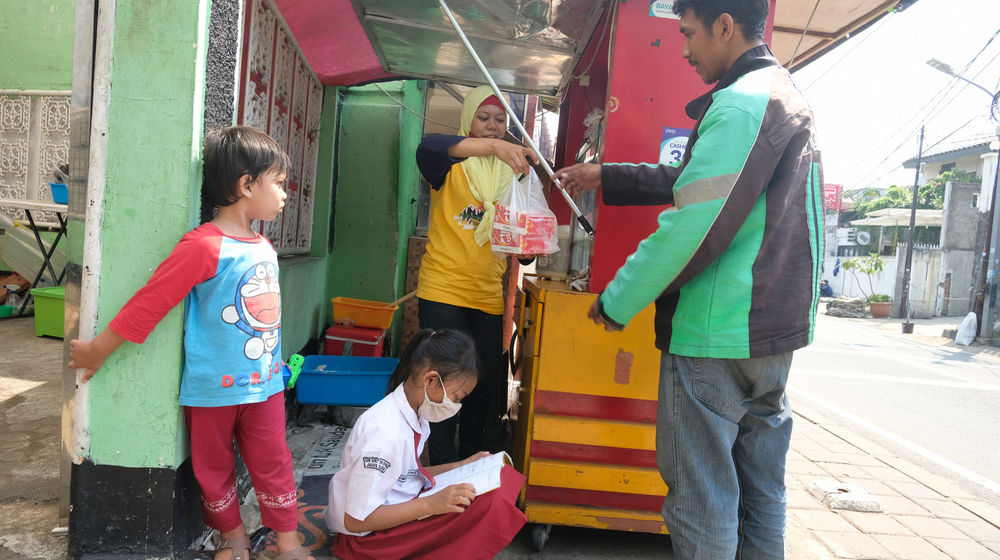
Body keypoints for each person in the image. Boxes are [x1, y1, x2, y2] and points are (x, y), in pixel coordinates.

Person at [554, 0, 823, 557]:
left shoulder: (741, 104)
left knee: (703, 497)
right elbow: (709, 185)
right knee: (760, 491)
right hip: (773, 330)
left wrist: (618, 297)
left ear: (726, 26)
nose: (683, 49)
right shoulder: (785, 96)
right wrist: (609, 173)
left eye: (689, 33)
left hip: (716, 329)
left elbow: (694, 224)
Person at [68, 126, 314, 560]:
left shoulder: (264, 246)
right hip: (211, 390)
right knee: (213, 471)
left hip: (266, 387)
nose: (284, 194)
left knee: (274, 464)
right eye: (278, 183)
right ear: (245, 185)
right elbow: (152, 301)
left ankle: (287, 542)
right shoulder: (204, 246)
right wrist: (99, 348)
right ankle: (232, 538)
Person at [414, 85, 539, 465]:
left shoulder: (512, 175)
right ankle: (438, 463)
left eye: (501, 120)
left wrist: (528, 246)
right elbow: (429, 146)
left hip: (486, 293)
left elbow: (522, 241)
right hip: (442, 289)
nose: (493, 126)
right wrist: (494, 147)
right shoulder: (447, 164)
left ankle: (468, 462)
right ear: (468, 120)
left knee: (481, 385)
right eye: (483, 118)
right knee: (441, 380)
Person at [324, 328, 527, 560]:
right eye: (456, 397)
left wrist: (463, 465)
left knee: (501, 482)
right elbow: (356, 520)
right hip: (368, 540)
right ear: (430, 379)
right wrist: (432, 505)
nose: (456, 405)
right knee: (490, 505)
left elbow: (406, 475)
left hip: (399, 509)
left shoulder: (415, 413)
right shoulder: (385, 435)